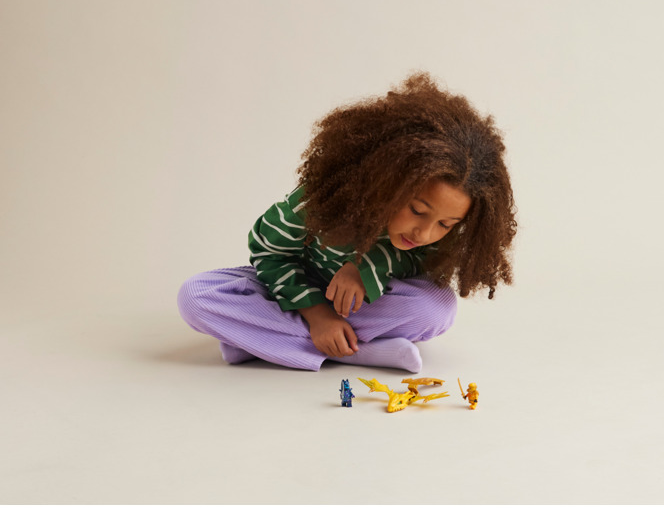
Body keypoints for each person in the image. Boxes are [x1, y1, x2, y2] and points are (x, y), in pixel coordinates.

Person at [177, 72, 517, 372]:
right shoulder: (315, 205)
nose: (425, 232)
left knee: (438, 309)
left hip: (363, 303)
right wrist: (318, 315)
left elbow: (415, 263)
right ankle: (359, 352)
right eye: (417, 210)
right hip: (294, 289)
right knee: (195, 297)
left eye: (446, 224)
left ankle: (261, 341)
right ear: (388, 181)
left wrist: (362, 268)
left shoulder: (431, 235)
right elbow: (270, 255)